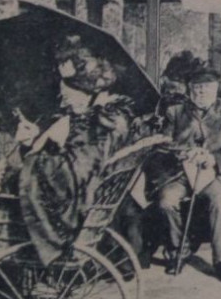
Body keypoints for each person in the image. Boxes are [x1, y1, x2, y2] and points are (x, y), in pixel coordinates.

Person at [15, 35, 135, 264]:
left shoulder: (101, 123)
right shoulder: (93, 118)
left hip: (78, 202)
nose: (63, 101)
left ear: (86, 93)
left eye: (68, 95)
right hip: (86, 189)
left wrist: (38, 151)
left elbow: (74, 174)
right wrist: (35, 142)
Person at [143, 54, 221, 281]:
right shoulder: (175, 112)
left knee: (218, 199)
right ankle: (179, 250)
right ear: (189, 89)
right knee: (166, 202)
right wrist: (184, 153)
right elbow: (162, 146)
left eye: (207, 87)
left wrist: (214, 159)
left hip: (211, 173)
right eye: (197, 88)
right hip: (178, 173)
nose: (202, 92)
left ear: (216, 89)